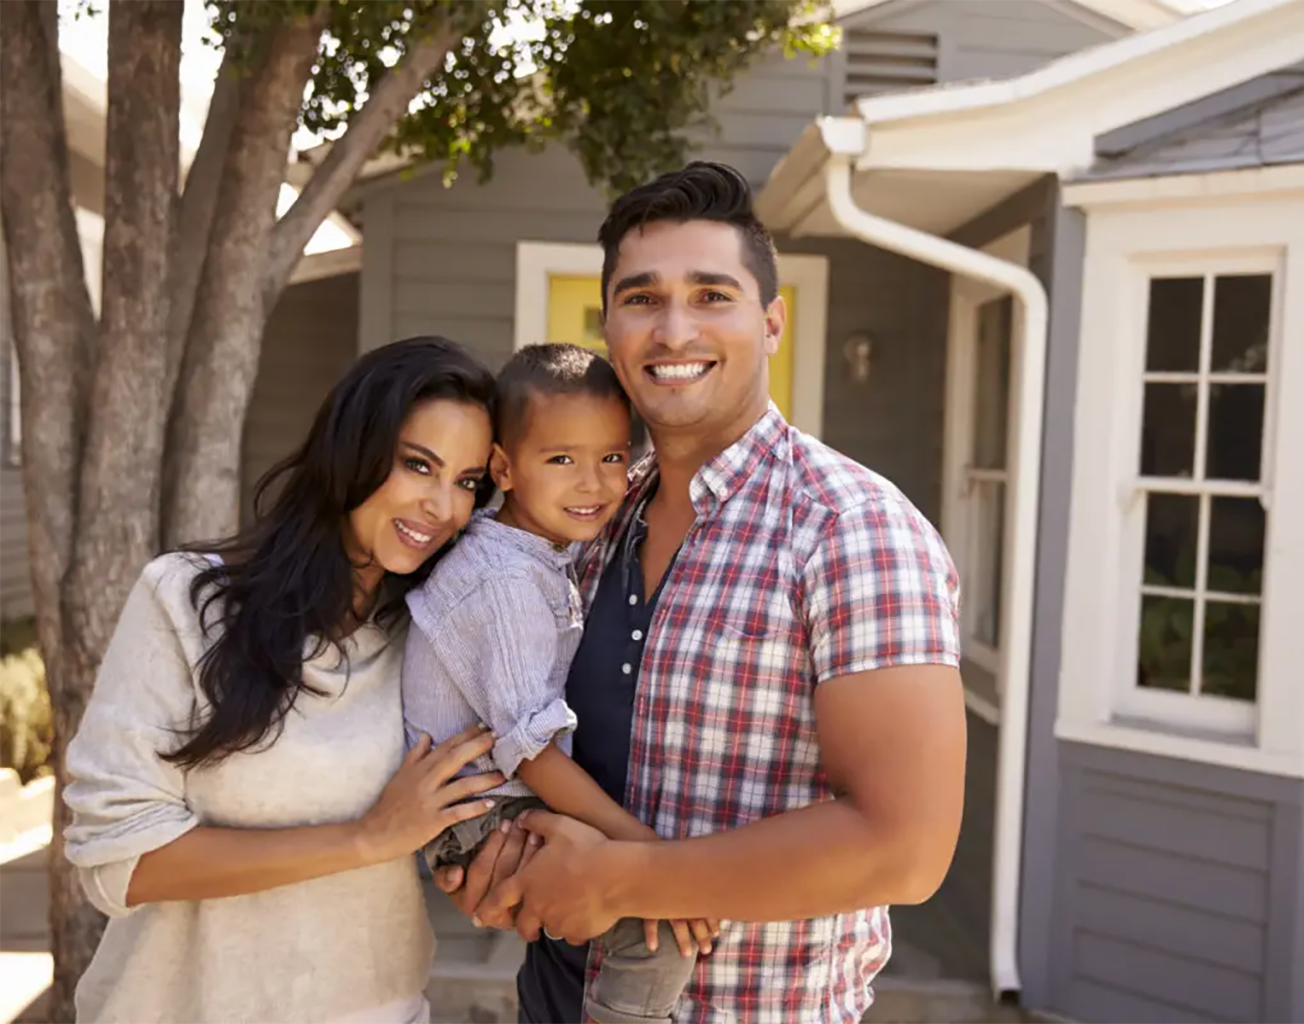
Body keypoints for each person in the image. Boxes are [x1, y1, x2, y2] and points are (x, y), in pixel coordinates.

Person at [437, 162, 968, 1022]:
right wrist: (491, 864)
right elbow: (493, 702)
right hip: (552, 996)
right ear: (609, 327)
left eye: (711, 295)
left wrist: (624, 880)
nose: (673, 329)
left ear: (771, 324)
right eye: (642, 299)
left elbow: (904, 848)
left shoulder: (850, 529)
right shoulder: (592, 514)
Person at [63, 336, 509, 1024]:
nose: (443, 506)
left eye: (468, 481)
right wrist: (366, 839)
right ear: (352, 449)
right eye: (418, 465)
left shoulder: (430, 637)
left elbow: (444, 816)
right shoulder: (186, 602)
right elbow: (116, 861)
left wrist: (466, 861)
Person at [401, 342, 712, 1024]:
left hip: (500, 795)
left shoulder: (540, 550)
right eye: (562, 459)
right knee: (651, 924)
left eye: (611, 457)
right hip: (480, 815)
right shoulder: (505, 581)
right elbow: (533, 751)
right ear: (506, 469)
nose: (594, 483)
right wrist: (647, 856)